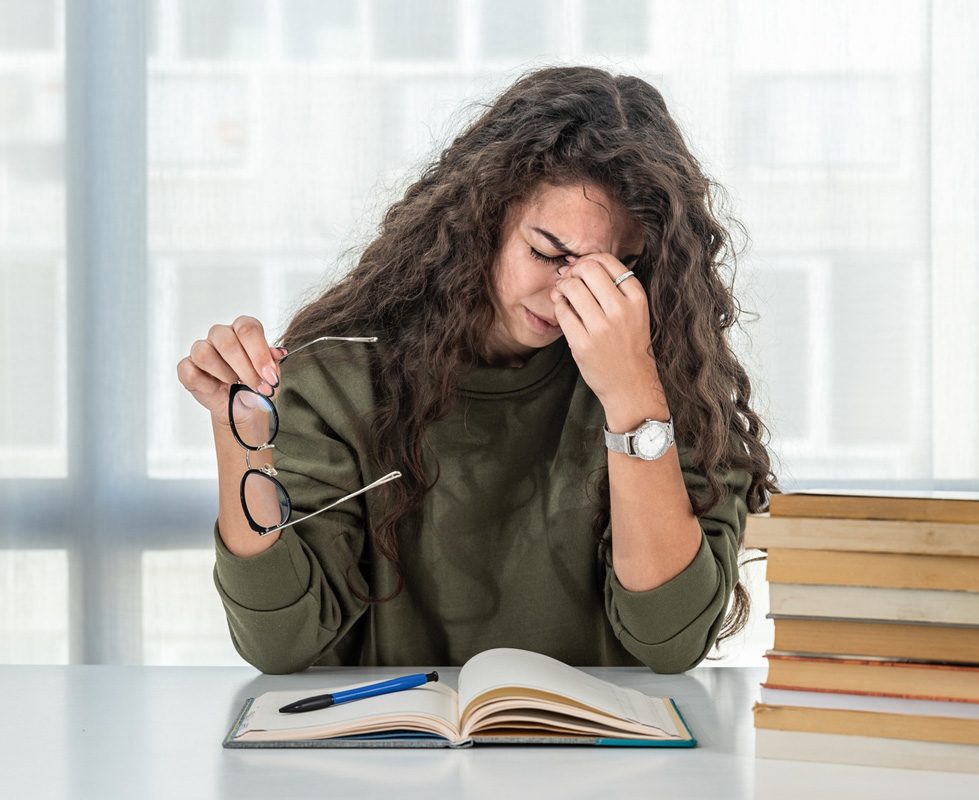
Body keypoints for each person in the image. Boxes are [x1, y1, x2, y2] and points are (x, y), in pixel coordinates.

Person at [176, 65, 778, 675]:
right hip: (393, 756)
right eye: (548, 253)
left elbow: (670, 640)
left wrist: (632, 399)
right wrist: (240, 435)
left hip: (605, 758)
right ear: (482, 220)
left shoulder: (672, 379)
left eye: (618, 270)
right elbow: (280, 643)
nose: (570, 296)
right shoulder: (343, 378)